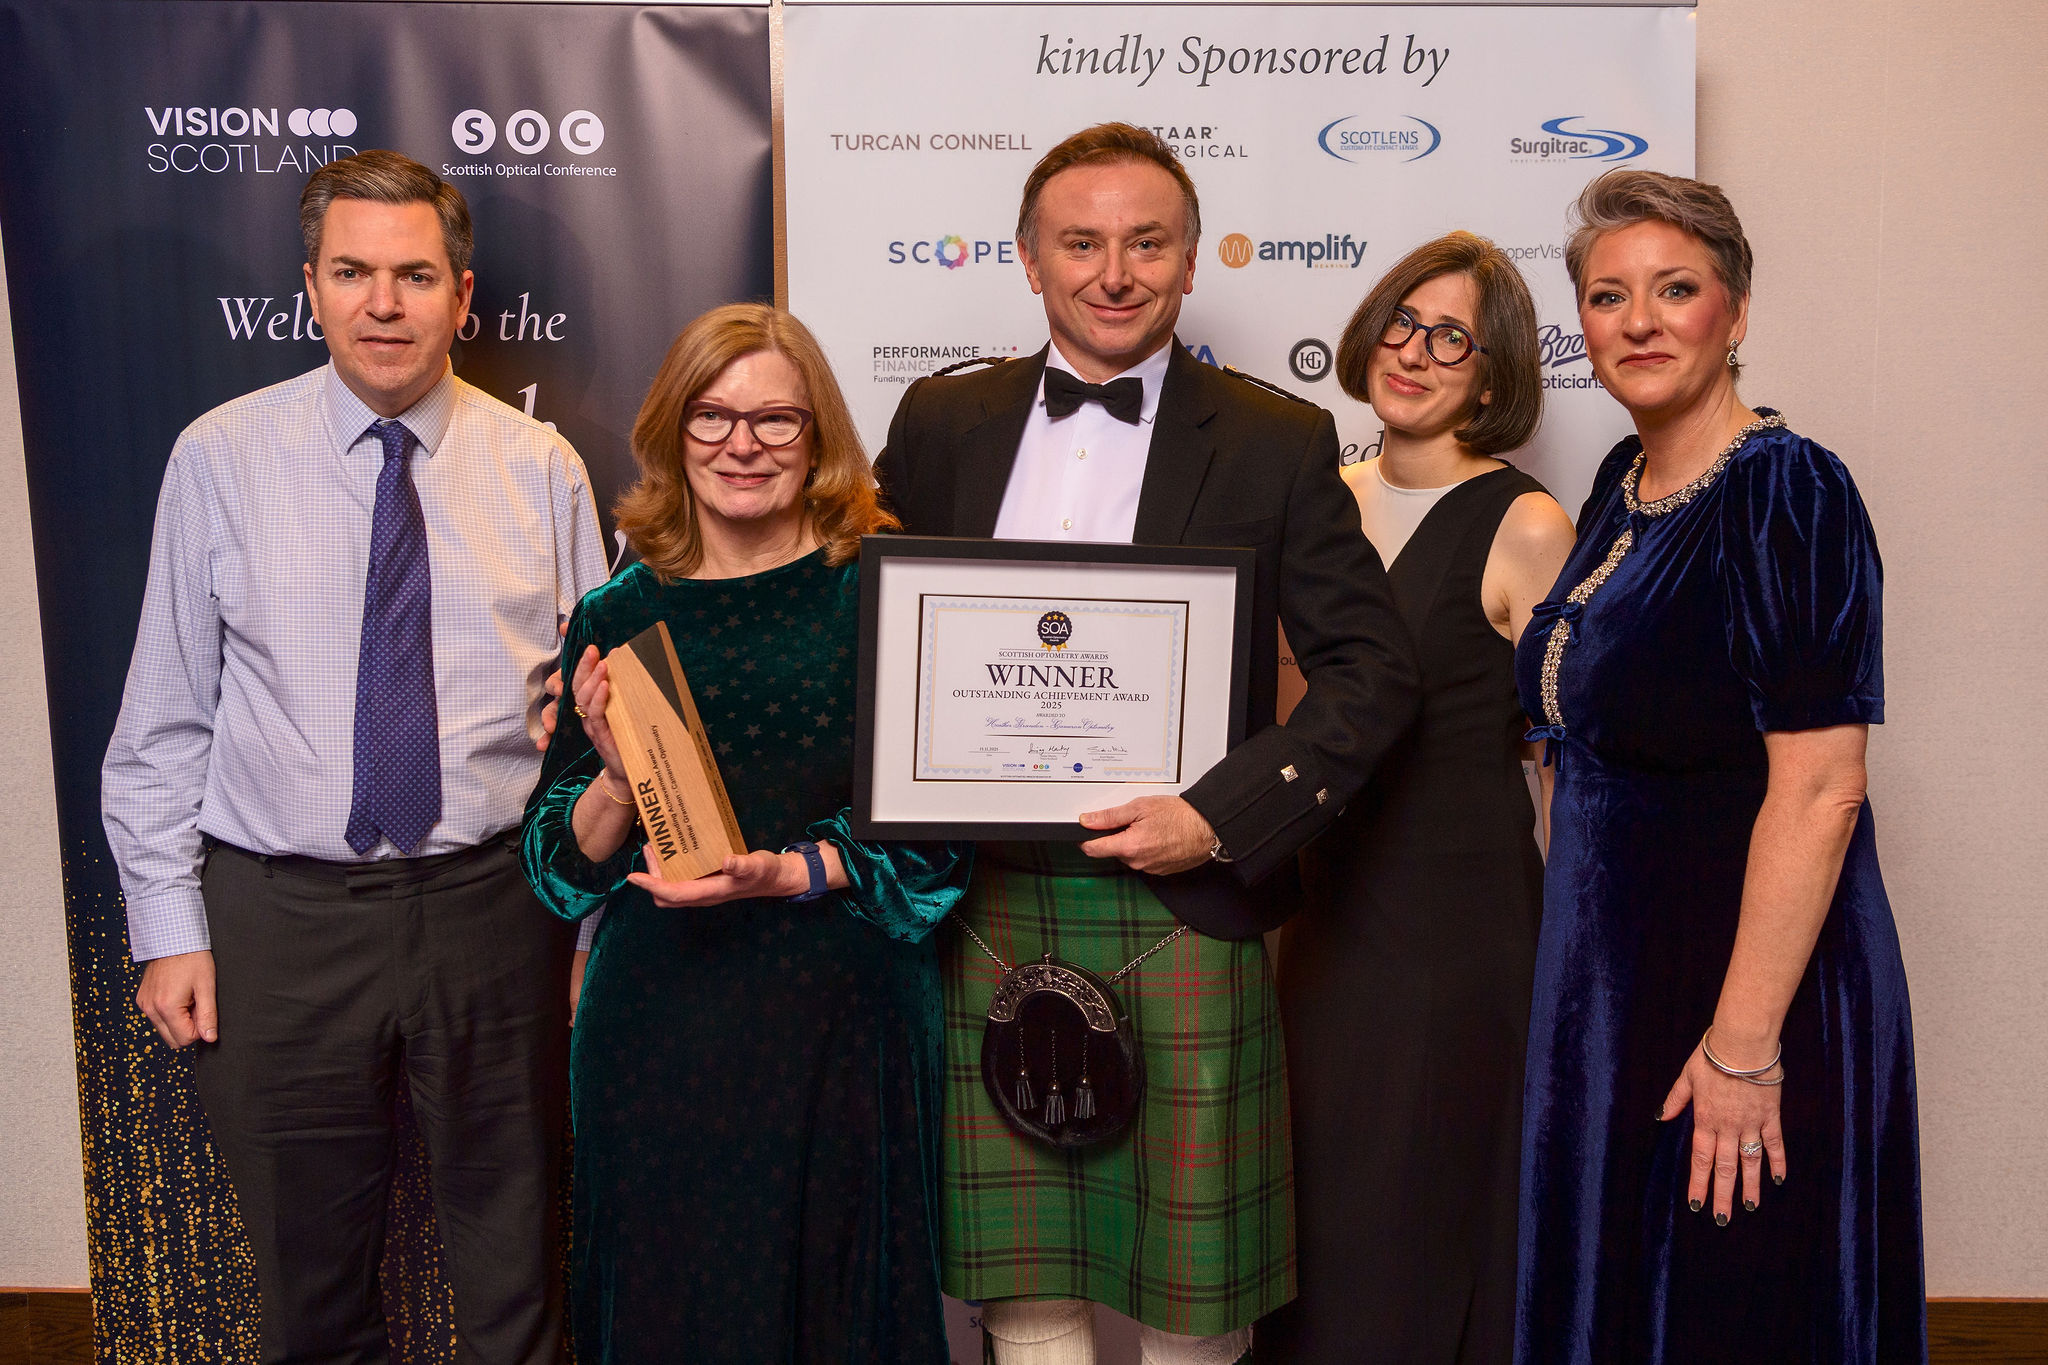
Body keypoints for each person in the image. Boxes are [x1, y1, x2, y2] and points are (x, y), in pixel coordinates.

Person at [876, 123, 1420, 1365]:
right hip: (982, 898)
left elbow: (1372, 671)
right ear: (1029, 259)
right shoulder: (942, 419)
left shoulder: (1276, 439)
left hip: (1183, 904)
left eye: (1146, 244)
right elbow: (866, 625)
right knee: (1022, 1292)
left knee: (1194, 1296)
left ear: (1189, 260)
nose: (1113, 273)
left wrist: (1222, 816)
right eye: (1080, 244)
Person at [101, 150, 607, 1363]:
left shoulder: (541, 467)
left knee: (516, 1276)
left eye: (415, 276)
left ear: (463, 296)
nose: (384, 303)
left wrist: (593, 933)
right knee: (310, 1290)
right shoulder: (219, 456)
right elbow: (164, 721)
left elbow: (598, 737)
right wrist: (167, 927)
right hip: (281, 923)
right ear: (311, 288)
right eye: (353, 273)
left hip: (495, 910)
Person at [1512, 169, 1924, 1363]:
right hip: (1613, 990)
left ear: (1733, 312)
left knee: (1726, 1306)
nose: (1637, 321)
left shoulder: (1786, 489)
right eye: (1607, 296)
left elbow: (1821, 789)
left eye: (1674, 290)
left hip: (1740, 989)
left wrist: (1742, 1047)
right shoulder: (1619, 484)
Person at [521, 303, 970, 1363]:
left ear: (817, 436)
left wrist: (789, 873)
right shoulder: (619, 611)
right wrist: (617, 784)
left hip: (841, 1022)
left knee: (837, 1311)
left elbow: (934, 848)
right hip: (661, 1024)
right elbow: (556, 867)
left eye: (776, 419)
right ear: (673, 428)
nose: (743, 444)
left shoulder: (885, 588)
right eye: (713, 416)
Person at [1256, 233, 1574, 1365]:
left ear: (1491, 378)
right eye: (1401, 320)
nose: (1414, 351)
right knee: (1317, 1215)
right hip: (1323, 912)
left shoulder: (1527, 524)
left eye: (1452, 338)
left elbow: (1564, 765)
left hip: (1458, 927)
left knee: (1418, 1220)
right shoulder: (1319, 499)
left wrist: (1577, 958)